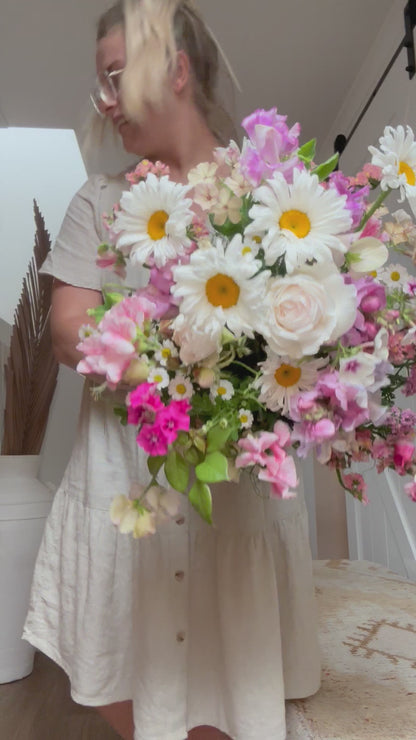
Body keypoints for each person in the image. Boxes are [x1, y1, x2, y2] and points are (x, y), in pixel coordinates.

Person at [23, 2, 321, 739]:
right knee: (118, 671)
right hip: (124, 481)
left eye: (117, 77)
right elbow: (66, 329)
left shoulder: (273, 197)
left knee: (232, 671)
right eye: (101, 83)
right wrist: (179, 334)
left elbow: (311, 327)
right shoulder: (101, 201)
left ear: (178, 70)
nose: (104, 100)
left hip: (234, 491)